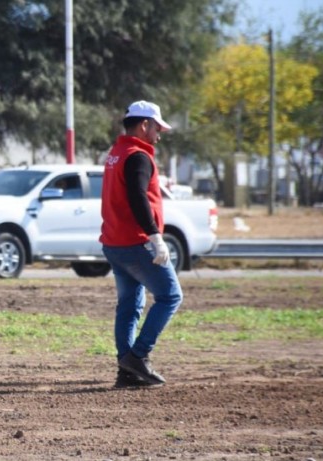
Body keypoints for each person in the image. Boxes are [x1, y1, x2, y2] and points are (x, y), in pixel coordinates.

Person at [99, 101, 183, 389]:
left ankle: (126, 371)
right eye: (157, 127)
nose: (159, 133)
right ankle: (139, 356)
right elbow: (137, 197)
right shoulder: (138, 156)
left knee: (130, 304)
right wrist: (155, 236)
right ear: (144, 125)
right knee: (170, 296)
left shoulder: (117, 153)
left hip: (114, 242)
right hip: (136, 243)